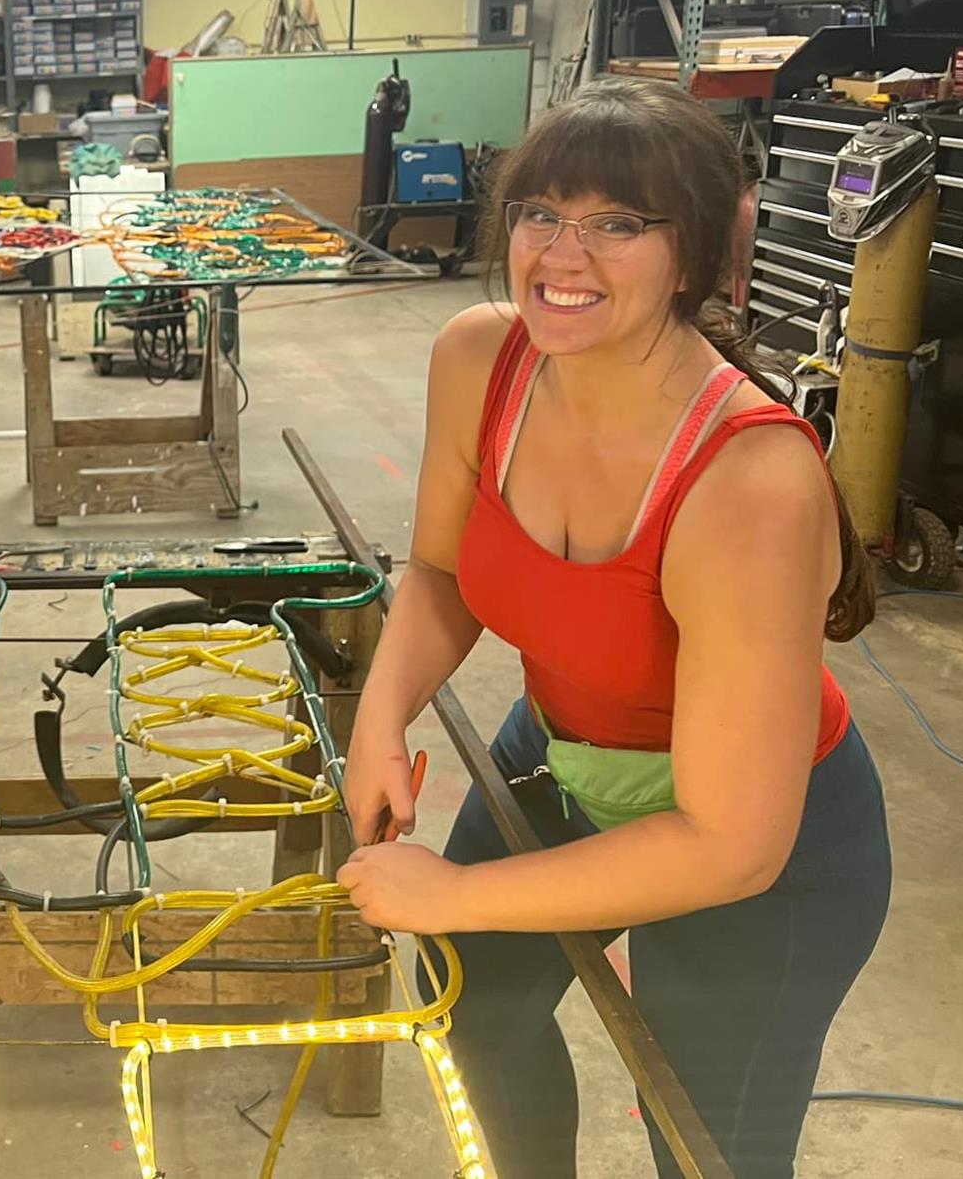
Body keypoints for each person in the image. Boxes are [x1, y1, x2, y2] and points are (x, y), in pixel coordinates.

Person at [335, 78, 891, 1179]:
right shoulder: (482, 360)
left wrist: (458, 892)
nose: (563, 254)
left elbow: (731, 843)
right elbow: (442, 569)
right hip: (563, 755)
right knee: (470, 1007)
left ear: (694, 258)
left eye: (619, 224)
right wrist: (380, 717)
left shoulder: (749, 484)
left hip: (766, 848)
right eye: (541, 213)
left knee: (706, 1139)